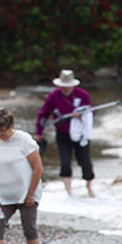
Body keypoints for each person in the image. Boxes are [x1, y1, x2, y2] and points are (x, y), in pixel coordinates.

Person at [0, 107, 43, 244]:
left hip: (27, 194)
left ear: (11, 126)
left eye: (2, 131)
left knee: (29, 227)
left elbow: (38, 168)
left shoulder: (24, 140)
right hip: (3, 195)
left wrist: (30, 194)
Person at [34, 69, 95, 197]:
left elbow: (91, 112)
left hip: (80, 134)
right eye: (63, 86)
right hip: (62, 134)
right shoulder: (54, 95)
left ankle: (89, 187)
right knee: (65, 162)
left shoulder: (82, 95)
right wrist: (38, 133)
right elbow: (43, 114)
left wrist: (81, 114)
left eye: (68, 86)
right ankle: (69, 192)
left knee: (85, 162)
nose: (65, 89)